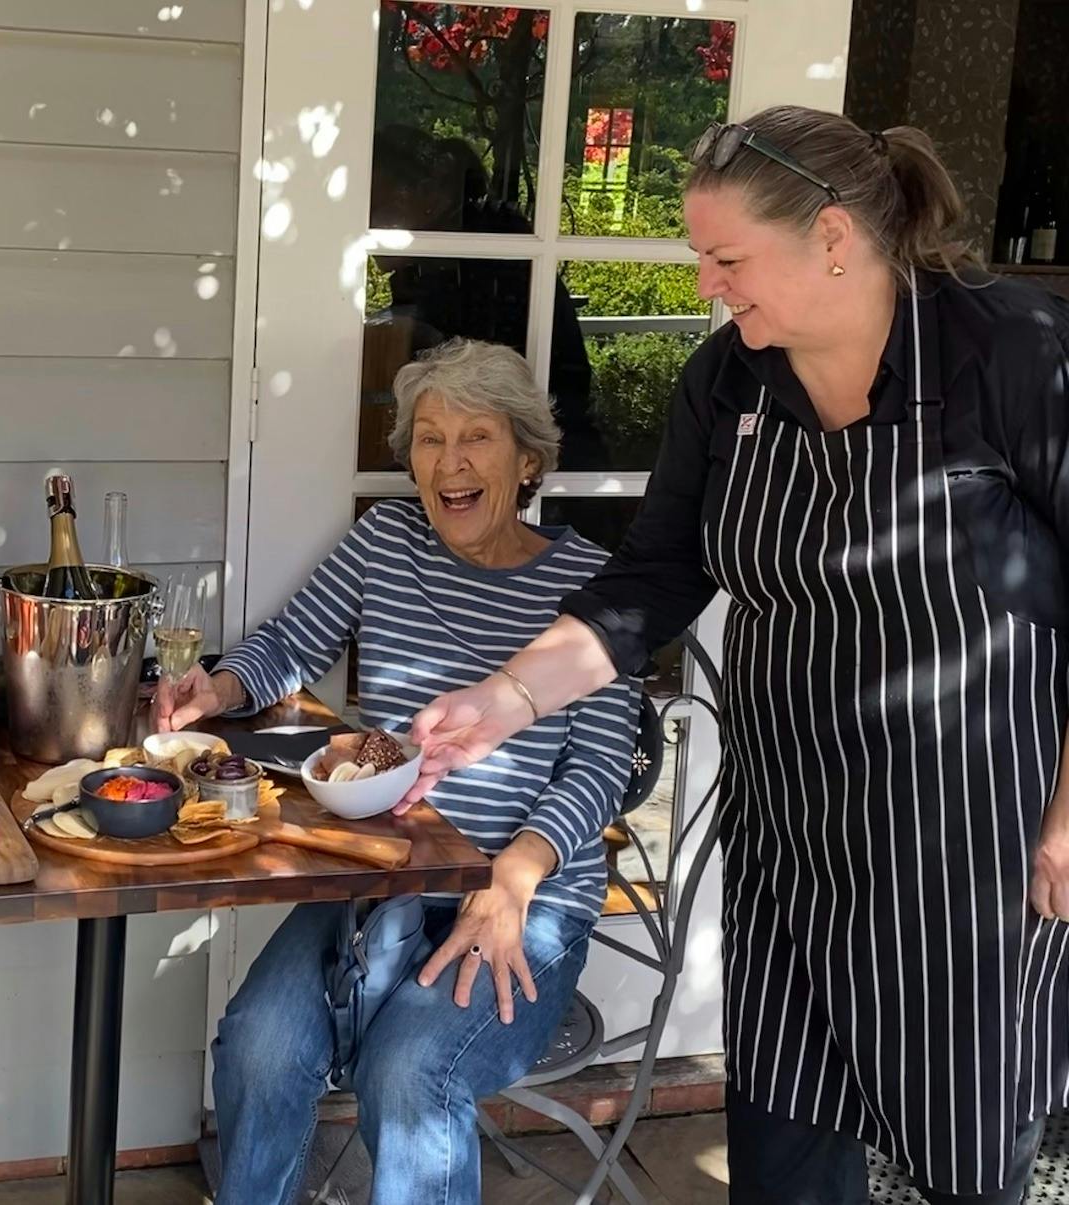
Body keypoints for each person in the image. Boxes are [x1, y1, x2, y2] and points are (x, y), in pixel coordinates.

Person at [406, 106, 1069, 1205]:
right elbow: (653, 577)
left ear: (834, 236)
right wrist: (508, 696)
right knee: (785, 1153)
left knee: (965, 1153)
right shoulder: (730, 381)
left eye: (726, 258)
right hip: (792, 831)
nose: (709, 285)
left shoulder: (1005, 349)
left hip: (967, 844)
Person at [157, 338, 639, 1205]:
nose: (448, 462)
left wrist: (515, 880)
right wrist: (216, 686)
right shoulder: (385, 542)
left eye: (477, 438)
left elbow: (600, 766)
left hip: (518, 894)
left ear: (527, 457)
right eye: (427, 438)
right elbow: (290, 643)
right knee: (260, 1043)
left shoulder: (592, 585)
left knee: (412, 1072)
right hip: (380, 876)